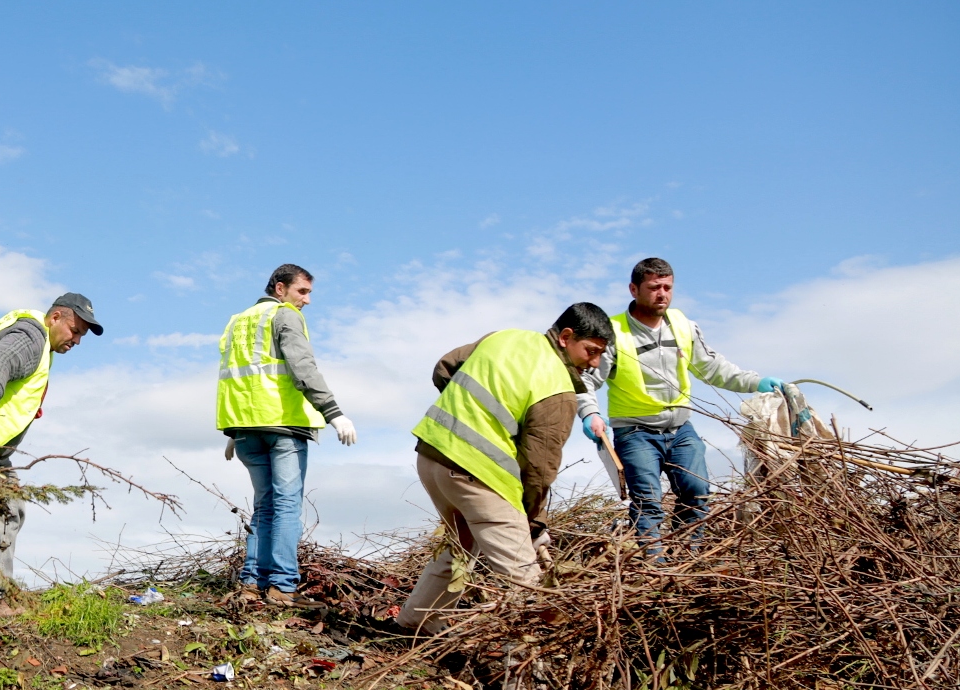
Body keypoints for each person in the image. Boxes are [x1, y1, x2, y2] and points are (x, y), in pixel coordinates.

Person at [395, 303, 613, 636]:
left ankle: (416, 623)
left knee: (460, 546)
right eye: (592, 351)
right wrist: (532, 520)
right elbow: (539, 468)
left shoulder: (506, 338)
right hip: (475, 473)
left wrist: (467, 414)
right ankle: (536, 656)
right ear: (566, 338)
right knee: (524, 576)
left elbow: (444, 367)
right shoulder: (559, 391)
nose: (595, 362)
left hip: (431, 454)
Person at [580, 257, 784, 553]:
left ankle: (687, 558)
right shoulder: (612, 333)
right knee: (648, 501)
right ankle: (655, 569)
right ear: (633, 289)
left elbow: (712, 368)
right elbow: (586, 379)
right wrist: (590, 413)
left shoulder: (683, 326)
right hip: (635, 433)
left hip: (681, 430)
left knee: (697, 491)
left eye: (667, 287)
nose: (661, 293)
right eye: (653, 287)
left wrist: (757, 382)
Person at [0, 293, 102, 618]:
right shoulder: (30, 336)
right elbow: (0, 360)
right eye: (75, 330)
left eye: (81, 335)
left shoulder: (41, 345)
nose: (77, 340)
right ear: (55, 317)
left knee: (11, 508)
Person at [216, 263, 357, 606]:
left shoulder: (237, 322)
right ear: (280, 289)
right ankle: (282, 588)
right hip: (282, 426)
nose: (307, 300)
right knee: (286, 506)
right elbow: (302, 366)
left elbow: (238, 375)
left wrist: (235, 431)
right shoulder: (285, 316)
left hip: (245, 427)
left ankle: (251, 584)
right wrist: (334, 413)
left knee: (264, 507)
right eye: (302, 292)